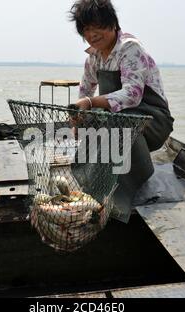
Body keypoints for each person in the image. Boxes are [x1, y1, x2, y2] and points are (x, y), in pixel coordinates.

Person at [69, 0, 174, 223]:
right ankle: (90, 183)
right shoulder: (93, 57)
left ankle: (118, 197)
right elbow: (85, 89)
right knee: (96, 120)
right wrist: (78, 119)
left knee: (115, 122)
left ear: (113, 24)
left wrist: (91, 102)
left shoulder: (129, 48)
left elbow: (133, 94)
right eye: (86, 29)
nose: (92, 34)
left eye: (97, 26)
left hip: (153, 119)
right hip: (119, 117)